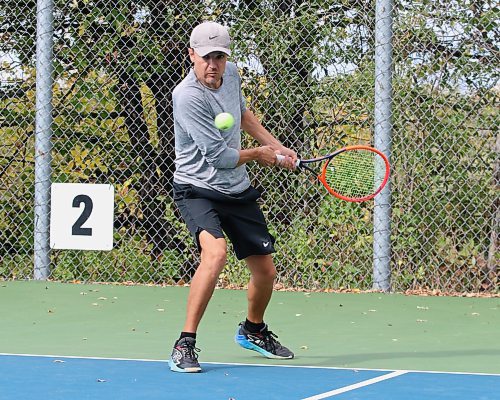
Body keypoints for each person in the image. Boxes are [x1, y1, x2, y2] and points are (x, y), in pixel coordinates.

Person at [168, 21, 298, 373]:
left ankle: (253, 330)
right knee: (216, 253)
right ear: (191, 55)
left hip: (237, 191)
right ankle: (185, 343)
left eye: (220, 57)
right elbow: (221, 159)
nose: (213, 64)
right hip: (197, 190)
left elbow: (241, 115)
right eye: (207, 56)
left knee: (266, 272)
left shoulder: (233, 75)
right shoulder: (188, 96)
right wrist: (261, 155)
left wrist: (277, 146)